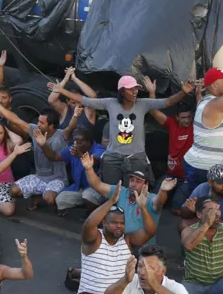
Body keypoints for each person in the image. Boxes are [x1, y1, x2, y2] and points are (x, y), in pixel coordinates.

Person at [55, 75, 192, 185]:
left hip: (136, 157)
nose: (135, 92)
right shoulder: (110, 103)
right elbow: (84, 100)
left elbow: (167, 102)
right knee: (113, 192)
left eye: (136, 89)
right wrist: (62, 90)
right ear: (121, 91)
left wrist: (183, 92)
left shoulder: (143, 104)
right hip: (113, 157)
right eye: (130, 89)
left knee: (134, 192)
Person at [73, 185, 130, 294]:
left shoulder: (126, 240)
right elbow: (89, 223)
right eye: (114, 222)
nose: (118, 226)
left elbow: (149, 231)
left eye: (122, 223)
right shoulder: (94, 238)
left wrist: (142, 206)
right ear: (104, 222)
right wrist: (111, 202)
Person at [0, 98, 72, 210]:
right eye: (38, 121)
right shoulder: (35, 130)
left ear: (51, 126)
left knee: (49, 199)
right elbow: (16, 120)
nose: (38, 124)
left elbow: (53, 157)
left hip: (57, 179)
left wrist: (43, 145)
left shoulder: (62, 135)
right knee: (13, 190)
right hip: (39, 177)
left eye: (42, 123)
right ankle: (38, 194)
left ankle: (60, 205)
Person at [83, 154, 174, 245]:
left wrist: (162, 191)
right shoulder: (121, 191)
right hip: (121, 246)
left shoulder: (150, 198)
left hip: (144, 249)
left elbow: (159, 202)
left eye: (138, 181)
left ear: (145, 185)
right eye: (131, 180)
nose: (133, 184)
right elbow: (97, 185)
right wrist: (89, 169)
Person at [142, 75, 196, 216]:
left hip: (186, 178)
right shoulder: (171, 124)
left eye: (189, 117)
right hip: (170, 175)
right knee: (152, 201)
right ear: (177, 117)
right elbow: (153, 110)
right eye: (183, 117)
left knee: (177, 208)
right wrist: (152, 92)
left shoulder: (194, 127)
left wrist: (200, 91)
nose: (187, 120)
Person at [179, 165, 223, 269]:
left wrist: (215, 220)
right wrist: (192, 210)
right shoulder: (201, 188)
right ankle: (189, 257)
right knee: (183, 224)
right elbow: (183, 213)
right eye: (221, 183)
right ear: (210, 183)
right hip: (207, 224)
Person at [38, 126, 105, 217]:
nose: (76, 144)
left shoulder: (99, 149)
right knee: (60, 200)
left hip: (95, 188)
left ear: (89, 141)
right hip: (79, 187)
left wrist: (80, 155)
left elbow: (93, 162)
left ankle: (94, 214)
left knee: (87, 196)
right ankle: (83, 204)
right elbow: (55, 156)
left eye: (80, 142)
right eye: (75, 141)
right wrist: (43, 145)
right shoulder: (74, 148)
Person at [47, 66, 97, 132]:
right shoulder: (65, 110)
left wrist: (74, 78)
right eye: (73, 103)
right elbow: (51, 101)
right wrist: (65, 79)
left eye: (79, 102)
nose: (77, 105)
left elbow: (93, 96)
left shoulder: (87, 111)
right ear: (67, 102)